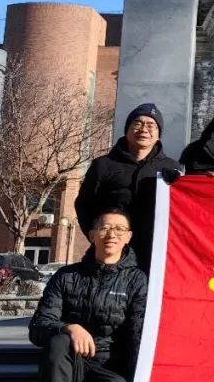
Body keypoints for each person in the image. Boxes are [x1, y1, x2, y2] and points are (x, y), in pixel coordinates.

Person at [29, 208, 147, 382]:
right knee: (58, 342)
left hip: (112, 369)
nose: (111, 235)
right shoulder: (66, 276)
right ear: (92, 235)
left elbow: (138, 334)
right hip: (73, 364)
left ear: (128, 237)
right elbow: (39, 326)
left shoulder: (137, 280)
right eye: (105, 228)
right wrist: (69, 327)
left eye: (119, 229)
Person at [75, 103, 181, 274]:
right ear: (127, 129)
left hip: (154, 252)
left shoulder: (172, 168)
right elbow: (84, 204)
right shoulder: (103, 165)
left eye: (151, 125)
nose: (144, 129)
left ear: (158, 134)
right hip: (111, 250)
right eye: (137, 124)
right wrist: (95, 236)